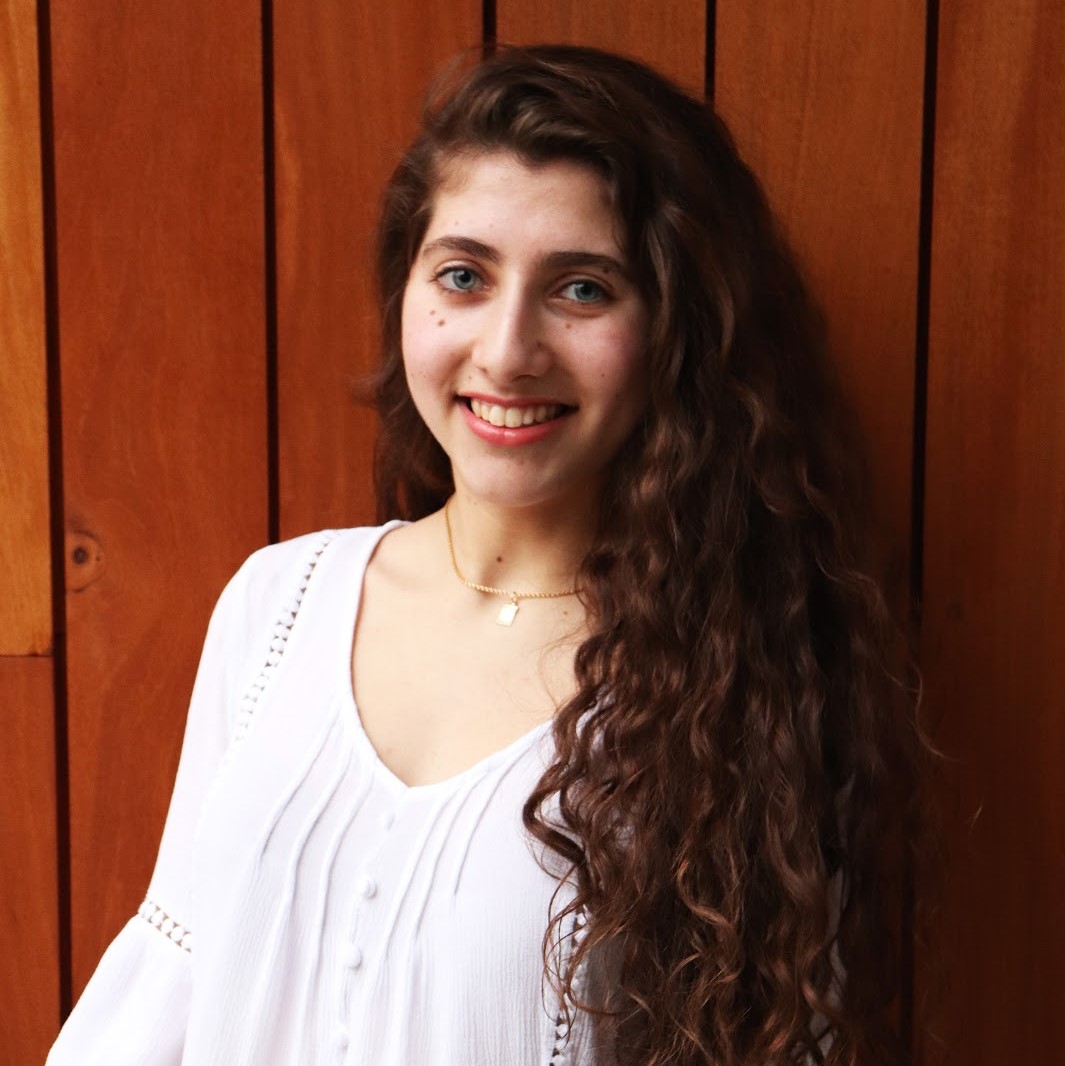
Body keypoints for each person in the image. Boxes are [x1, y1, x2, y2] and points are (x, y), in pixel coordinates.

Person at [48, 44, 922, 1066]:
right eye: (463, 275)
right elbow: (171, 982)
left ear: (677, 335)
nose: (508, 349)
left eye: (583, 289)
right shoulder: (277, 604)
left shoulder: (726, 676)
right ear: (406, 290)